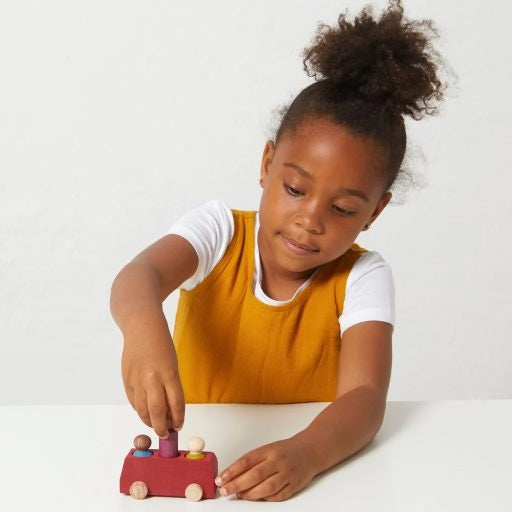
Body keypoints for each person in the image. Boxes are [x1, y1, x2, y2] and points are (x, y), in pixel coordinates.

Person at [110, 0, 446, 501]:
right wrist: (142, 331)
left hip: (313, 482)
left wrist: (308, 452)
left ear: (375, 212)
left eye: (345, 209)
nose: (310, 220)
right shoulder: (220, 230)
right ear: (268, 164)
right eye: (295, 189)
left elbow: (366, 398)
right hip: (210, 456)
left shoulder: (364, 276)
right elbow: (139, 277)